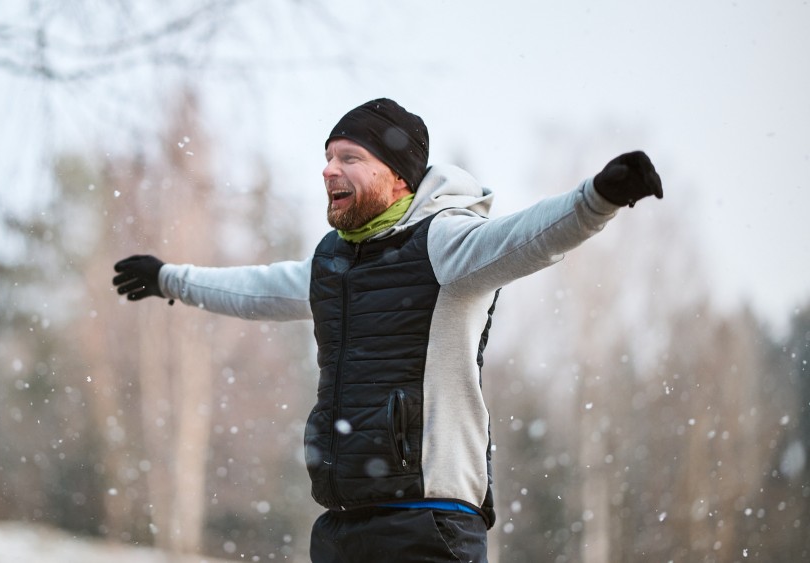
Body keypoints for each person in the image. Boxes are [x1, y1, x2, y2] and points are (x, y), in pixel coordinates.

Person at [112, 98, 663, 563]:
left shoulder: (444, 243)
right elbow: (260, 289)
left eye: (349, 157)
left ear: (398, 177)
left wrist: (597, 199)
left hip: (428, 524)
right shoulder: (335, 261)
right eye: (327, 158)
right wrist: (169, 278)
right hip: (343, 524)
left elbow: (525, 238)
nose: (329, 169)